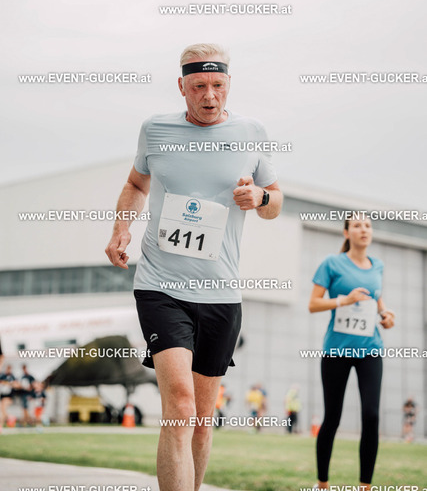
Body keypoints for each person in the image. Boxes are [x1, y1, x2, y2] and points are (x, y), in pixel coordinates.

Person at [105, 43, 282, 491]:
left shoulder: (251, 132)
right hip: (160, 286)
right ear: (181, 86)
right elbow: (136, 183)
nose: (209, 95)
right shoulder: (156, 129)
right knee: (180, 408)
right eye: (199, 85)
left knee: (202, 420)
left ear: (229, 84)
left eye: (218, 85)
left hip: (221, 293)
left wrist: (260, 197)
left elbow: (275, 201)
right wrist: (121, 228)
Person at [308, 213, 395, 491]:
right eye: (357, 226)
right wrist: (343, 300)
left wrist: (385, 314)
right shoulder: (332, 263)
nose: (364, 230)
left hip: (371, 349)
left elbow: (377, 299)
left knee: (371, 415)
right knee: (332, 417)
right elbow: (313, 304)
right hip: (337, 350)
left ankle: (365, 486)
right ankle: (322, 483)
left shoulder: (377, 265)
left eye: (367, 226)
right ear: (346, 232)